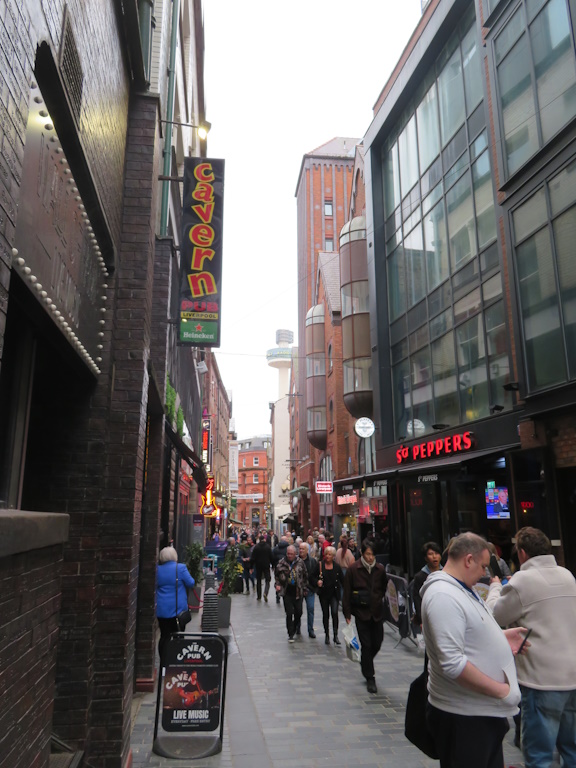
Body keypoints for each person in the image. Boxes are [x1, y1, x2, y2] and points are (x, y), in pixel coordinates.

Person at [421, 532, 528, 768]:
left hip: (478, 714)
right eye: (482, 566)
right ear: (468, 560)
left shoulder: (459, 588)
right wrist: (502, 690)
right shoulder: (443, 596)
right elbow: (453, 663)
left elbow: (467, 632)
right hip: (464, 719)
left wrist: (500, 638)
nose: (484, 573)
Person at [487, 527, 576, 768]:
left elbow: (496, 614)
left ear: (523, 553)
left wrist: (495, 587)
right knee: (572, 751)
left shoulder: (522, 580)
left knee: (539, 756)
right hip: (572, 677)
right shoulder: (568, 576)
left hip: (541, 680)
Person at [342, 538, 388, 693]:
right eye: (368, 554)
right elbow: (347, 592)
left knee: (377, 642)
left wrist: (377, 599)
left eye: (373, 555)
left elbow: (384, 587)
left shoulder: (380, 570)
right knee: (366, 645)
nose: (370, 557)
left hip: (376, 612)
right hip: (361, 613)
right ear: (362, 553)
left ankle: (365, 662)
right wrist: (347, 613)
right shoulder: (354, 569)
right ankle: (370, 677)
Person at [156, 546, 195, 661]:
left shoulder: (157, 570)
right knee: (178, 635)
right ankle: (177, 659)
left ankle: (164, 660)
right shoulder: (181, 568)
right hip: (178, 610)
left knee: (164, 635)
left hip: (162, 610)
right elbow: (191, 583)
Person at [274, 544, 308, 643]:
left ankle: (294, 626)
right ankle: (290, 633)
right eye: (288, 554)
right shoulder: (281, 563)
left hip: (298, 591)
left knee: (299, 612)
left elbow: (305, 575)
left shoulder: (300, 562)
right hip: (287, 591)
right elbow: (276, 576)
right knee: (289, 613)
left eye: (291, 554)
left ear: (295, 554)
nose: (289, 556)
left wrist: (305, 587)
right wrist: (277, 584)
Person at [411, 541, 442, 628]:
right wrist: (421, 619)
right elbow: (417, 598)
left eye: (436, 553)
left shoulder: (446, 573)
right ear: (426, 558)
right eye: (430, 554)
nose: (434, 556)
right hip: (428, 613)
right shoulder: (420, 576)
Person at [317, 545, 344, 645]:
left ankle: (335, 635)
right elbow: (312, 577)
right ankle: (327, 635)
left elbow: (342, 580)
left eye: (330, 555)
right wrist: (317, 582)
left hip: (334, 594)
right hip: (324, 594)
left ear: (333, 556)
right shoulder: (320, 565)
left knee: (334, 613)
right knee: (326, 614)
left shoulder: (337, 567)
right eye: (326, 554)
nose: (328, 556)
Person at [297, 541, 319, 637]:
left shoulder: (312, 561)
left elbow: (316, 575)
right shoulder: (296, 561)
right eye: (300, 548)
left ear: (307, 551)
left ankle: (310, 630)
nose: (301, 550)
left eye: (303, 549)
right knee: (298, 610)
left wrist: (315, 585)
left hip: (310, 589)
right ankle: (297, 627)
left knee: (310, 609)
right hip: (299, 589)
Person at [250, 533, 273, 601]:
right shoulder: (268, 547)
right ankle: (265, 592)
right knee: (267, 580)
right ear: (264, 539)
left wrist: (251, 567)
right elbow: (271, 557)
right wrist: (273, 565)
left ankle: (259, 596)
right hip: (266, 565)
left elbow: (253, 558)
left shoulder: (256, 547)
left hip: (258, 566)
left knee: (259, 580)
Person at [272, 534, 291, 603]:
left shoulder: (276, 548)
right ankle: (286, 594)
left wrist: (273, 566)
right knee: (287, 580)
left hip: (278, 567)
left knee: (278, 581)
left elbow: (272, 558)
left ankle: (278, 595)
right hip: (287, 567)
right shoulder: (289, 548)